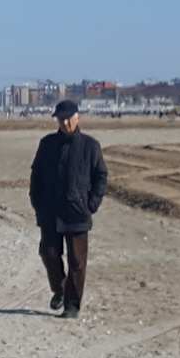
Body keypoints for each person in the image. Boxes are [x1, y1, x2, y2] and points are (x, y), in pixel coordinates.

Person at [29, 100, 107, 318]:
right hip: (50, 211)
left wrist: (91, 203)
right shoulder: (47, 144)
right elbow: (36, 175)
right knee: (48, 253)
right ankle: (60, 288)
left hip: (77, 212)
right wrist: (36, 201)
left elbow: (101, 176)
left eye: (68, 119)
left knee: (77, 262)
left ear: (77, 117)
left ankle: (72, 306)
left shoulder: (90, 146)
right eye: (60, 119)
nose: (64, 123)